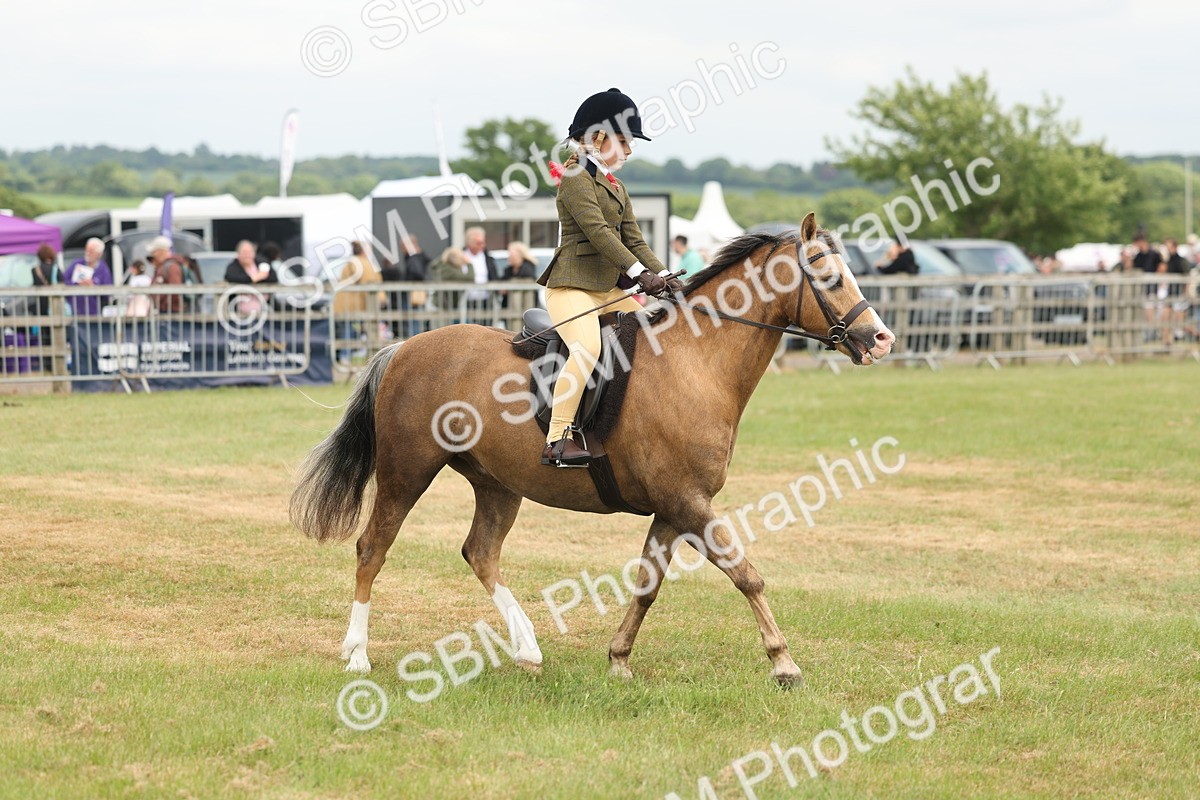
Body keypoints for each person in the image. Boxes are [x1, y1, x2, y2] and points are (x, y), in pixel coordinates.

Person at [536, 87, 682, 466]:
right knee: (587, 349)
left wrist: (665, 275)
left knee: (654, 340)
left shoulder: (615, 185)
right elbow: (599, 233)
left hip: (607, 290)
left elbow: (634, 238)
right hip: (571, 287)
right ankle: (557, 439)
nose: (629, 151)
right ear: (598, 137)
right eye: (624, 141)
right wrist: (638, 273)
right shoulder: (574, 178)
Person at [332, 241, 383, 362]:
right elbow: (370, 284)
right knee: (352, 331)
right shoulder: (362, 263)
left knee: (348, 331)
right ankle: (347, 357)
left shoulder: (351, 262)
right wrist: (381, 299)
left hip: (345, 305)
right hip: (353, 306)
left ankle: (345, 357)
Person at [63, 237, 114, 317]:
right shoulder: (76, 264)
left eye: (91, 251)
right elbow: (64, 282)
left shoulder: (103, 269)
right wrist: (77, 284)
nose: (88, 253)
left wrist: (93, 286)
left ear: (99, 254)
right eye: (87, 250)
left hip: (95, 314)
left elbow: (108, 292)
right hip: (74, 312)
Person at [463, 226, 500, 315]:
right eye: (478, 243)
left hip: (486, 300)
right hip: (465, 300)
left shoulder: (488, 258)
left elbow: (494, 276)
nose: (482, 245)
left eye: (483, 242)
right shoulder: (460, 256)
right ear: (469, 243)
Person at [145, 235, 187, 313]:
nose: (153, 255)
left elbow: (176, 290)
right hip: (165, 311)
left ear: (162, 251)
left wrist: (165, 305)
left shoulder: (172, 267)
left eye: (154, 252)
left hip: (171, 312)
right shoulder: (164, 267)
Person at [1162, 238, 1190, 344]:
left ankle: (1184, 335)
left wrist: (1185, 292)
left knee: (1179, 318)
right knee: (1166, 317)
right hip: (1171, 292)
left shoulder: (1181, 261)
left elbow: (1186, 278)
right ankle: (1166, 339)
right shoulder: (1168, 261)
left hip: (1179, 293)